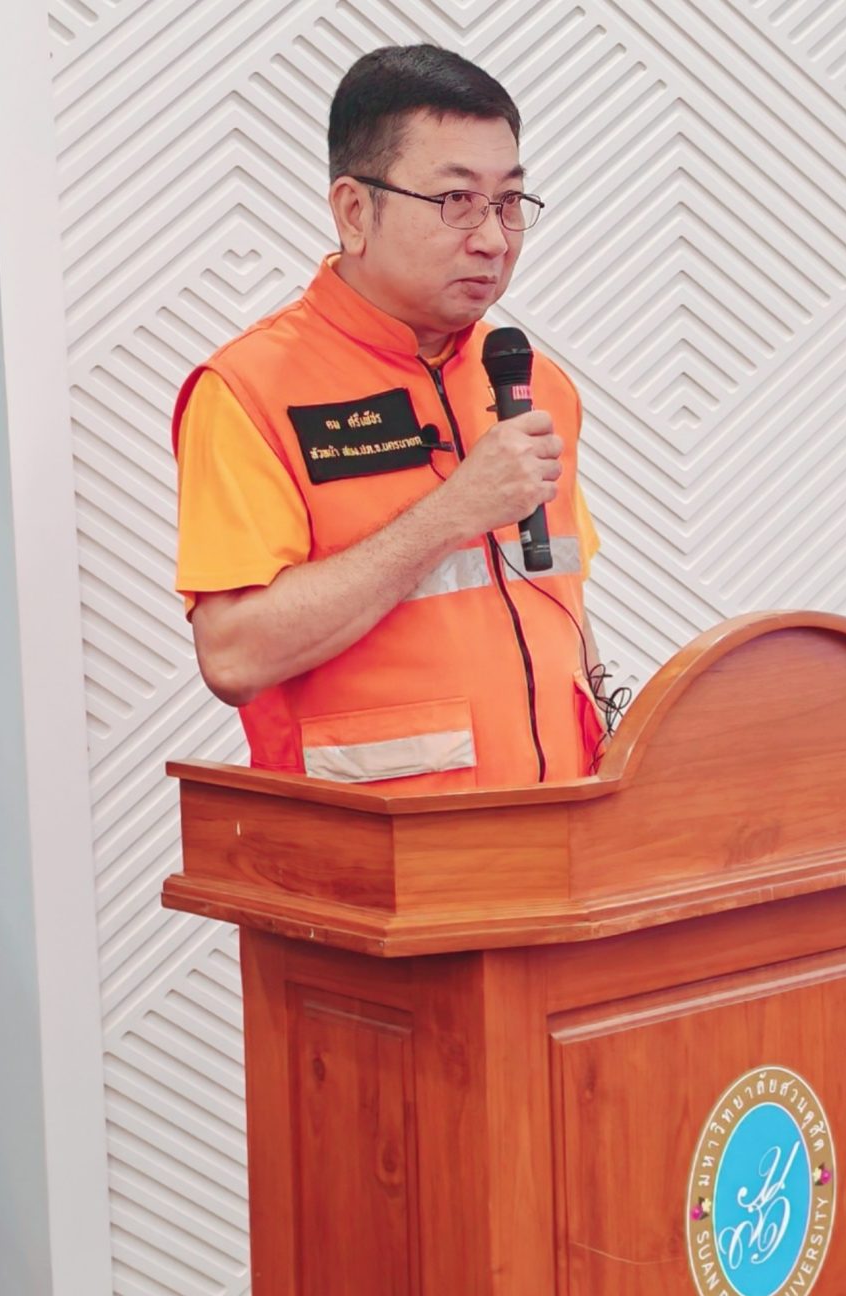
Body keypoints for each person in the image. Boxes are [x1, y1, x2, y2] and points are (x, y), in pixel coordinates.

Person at [173, 44, 607, 792]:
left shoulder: (534, 381)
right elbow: (235, 656)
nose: (493, 238)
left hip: (557, 837)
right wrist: (454, 510)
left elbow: (566, 610)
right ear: (354, 211)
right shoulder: (251, 389)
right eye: (456, 200)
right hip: (377, 851)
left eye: (509, 202)